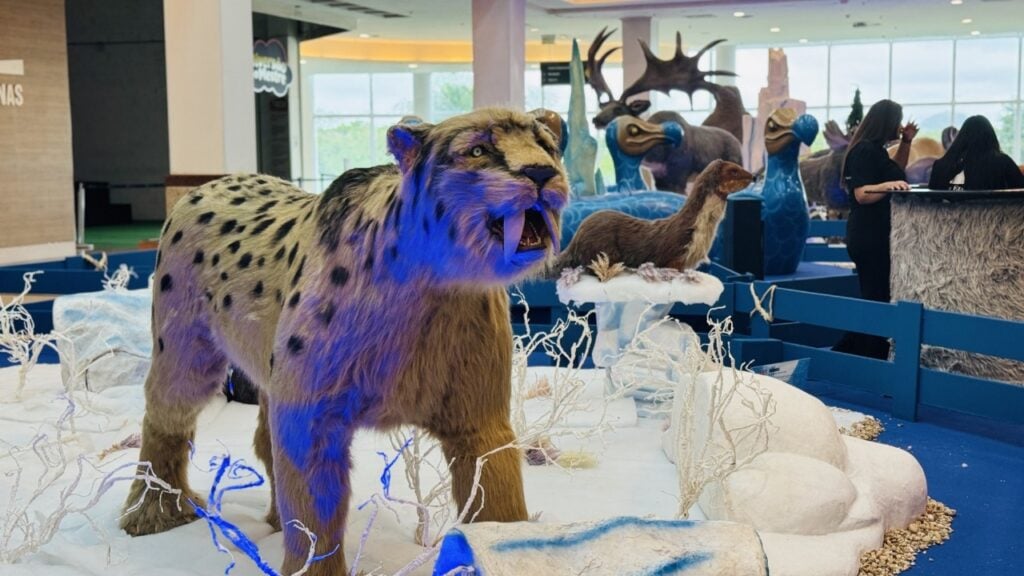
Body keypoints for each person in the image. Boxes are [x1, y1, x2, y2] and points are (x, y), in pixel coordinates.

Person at [833, 99, 916, 360]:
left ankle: (865, 350)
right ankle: (866, 354)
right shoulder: (864, 151)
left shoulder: (876, 151)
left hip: (876, 235)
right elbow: (862, 194)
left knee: (878, 296)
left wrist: (906, 142)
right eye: (897, 121)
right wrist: (888, 186)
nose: (899, 125)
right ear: (887, 122)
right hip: (868, 236)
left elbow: (896, 173)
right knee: (876, 297)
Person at [928, 115, 1024, 191]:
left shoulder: (941, 165)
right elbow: (1020, 191)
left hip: (945, 210)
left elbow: (930, 199)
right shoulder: (1003, 162)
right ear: (990, 137)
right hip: (996, 210)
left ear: (961, 137)